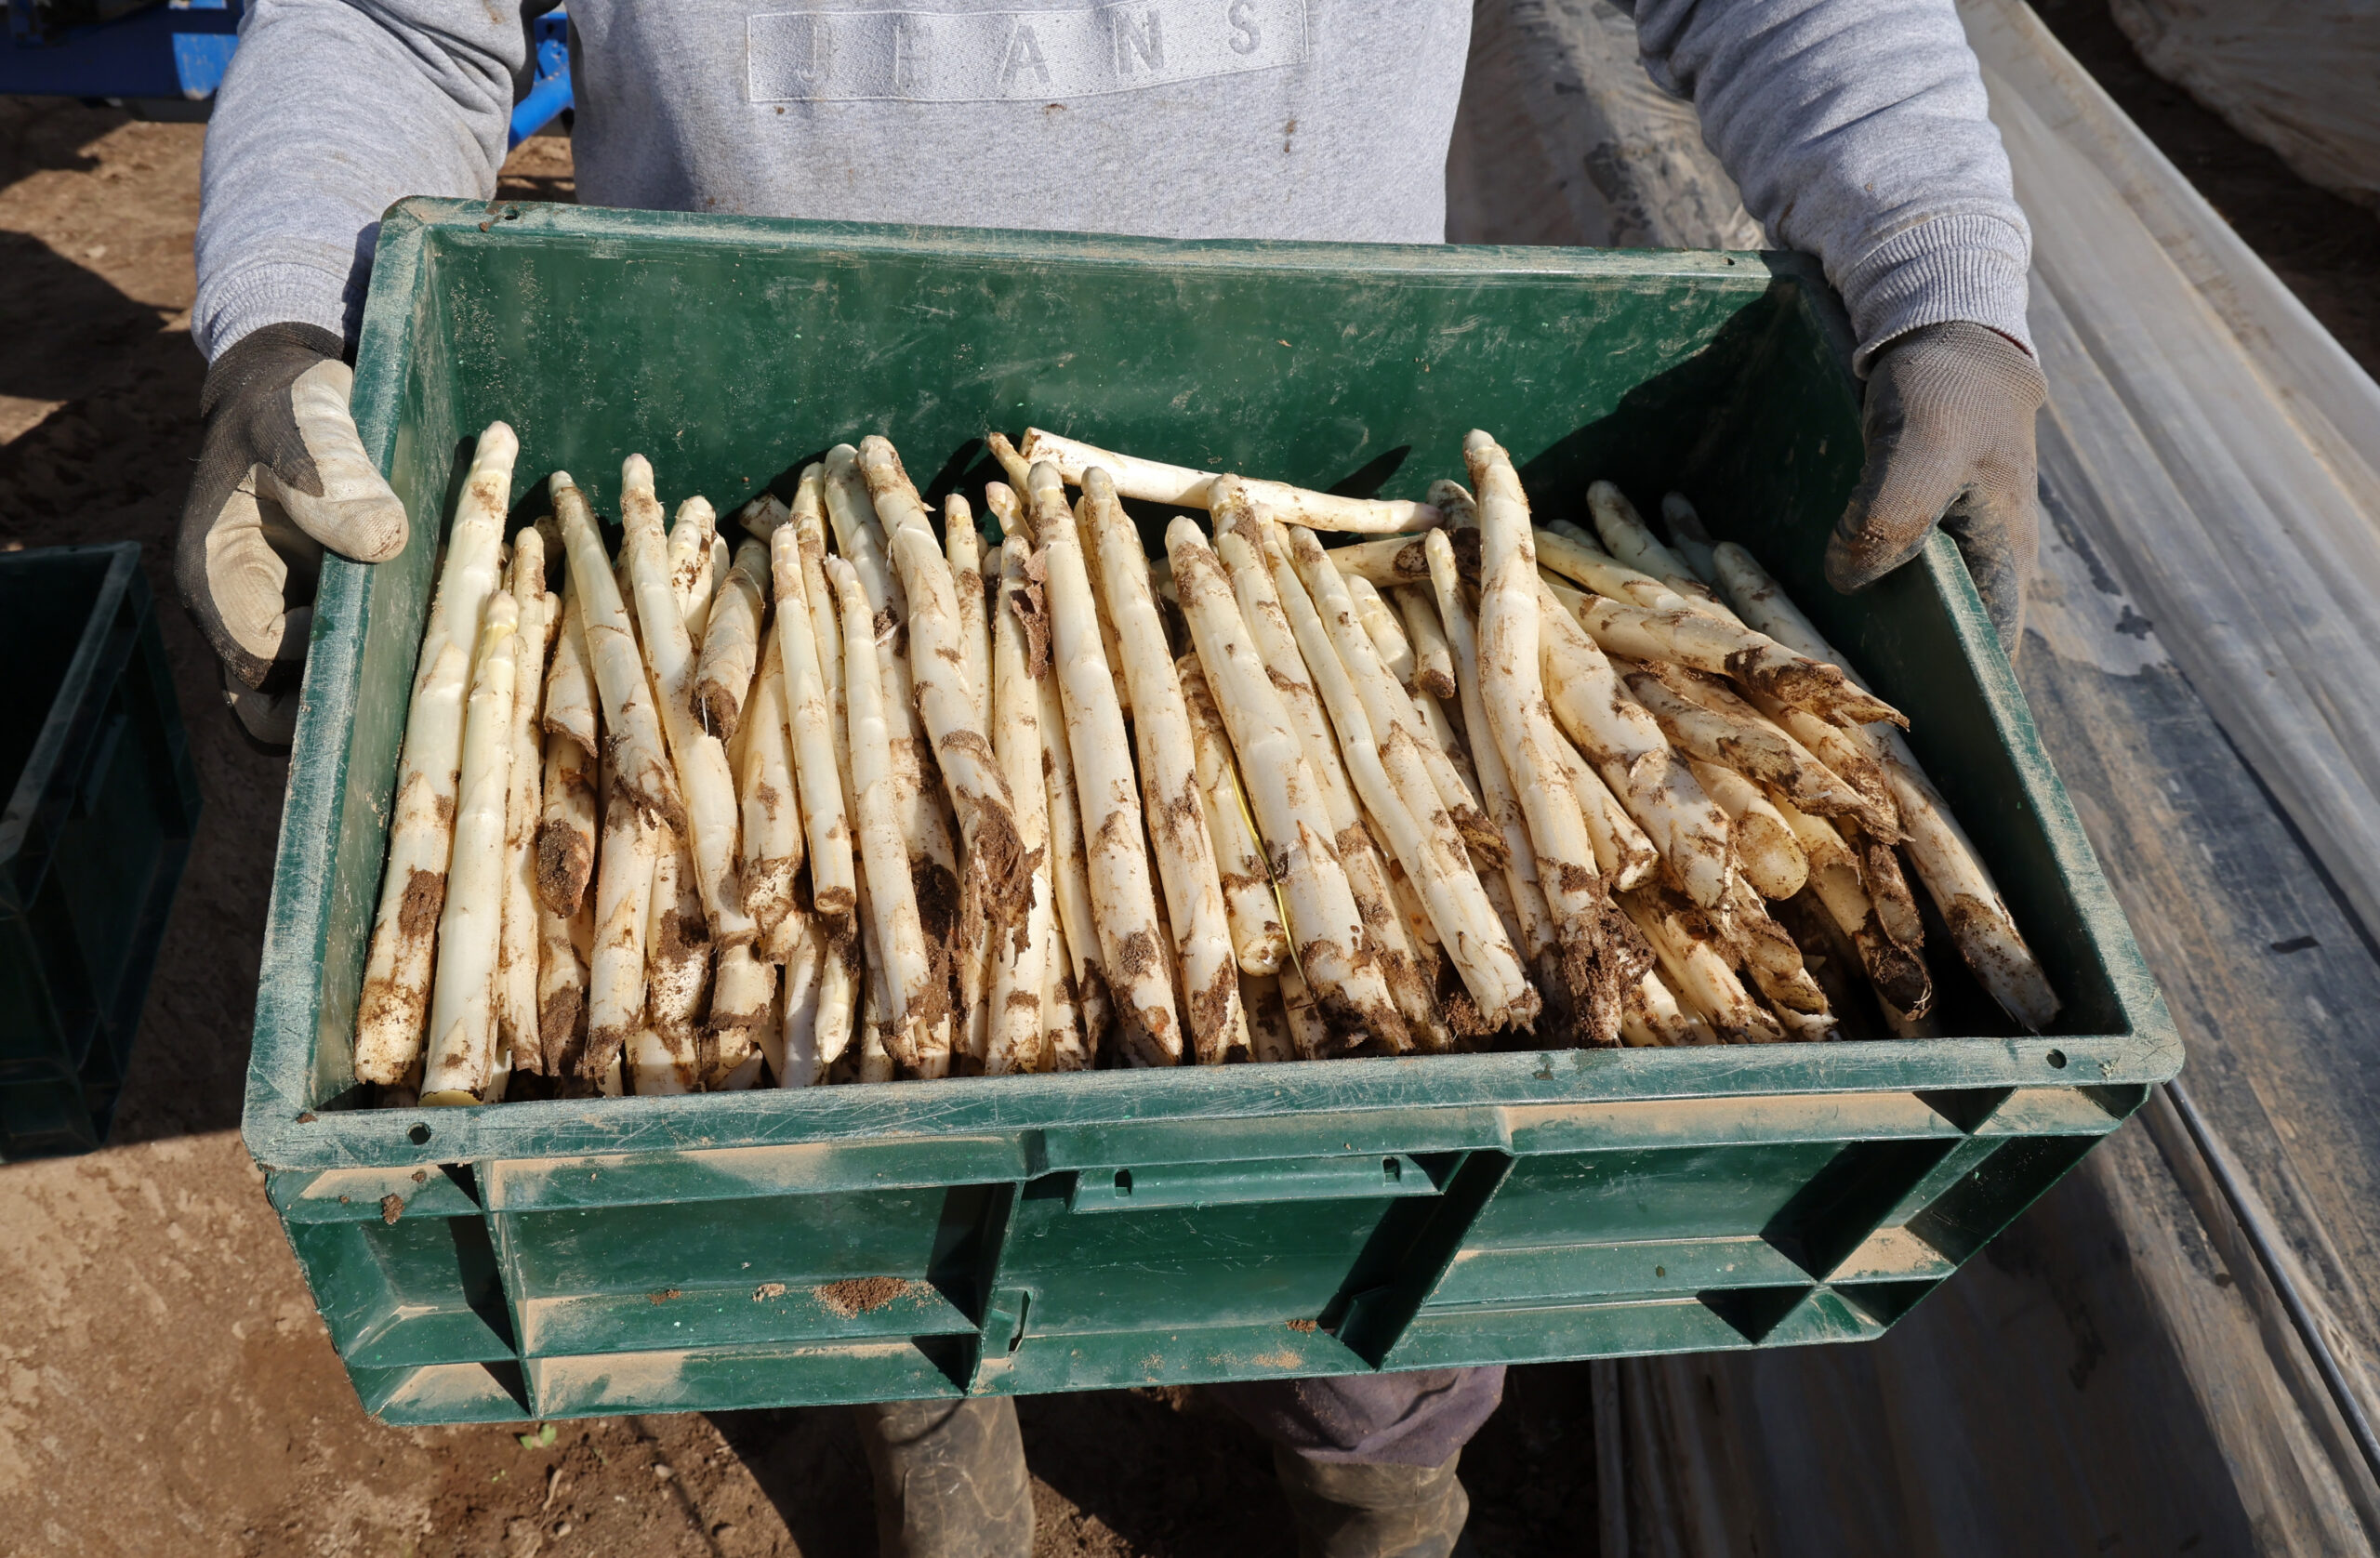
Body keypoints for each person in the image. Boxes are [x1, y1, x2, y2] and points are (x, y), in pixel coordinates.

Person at [178, 3, 2044, 1551]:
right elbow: (384, 19)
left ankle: (1371, 1467)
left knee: (1375, 1200)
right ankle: (927, 1412)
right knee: (869, 1163)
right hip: (775, 477)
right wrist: (276, 321)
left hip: (1324, 523)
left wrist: (1936, 271)